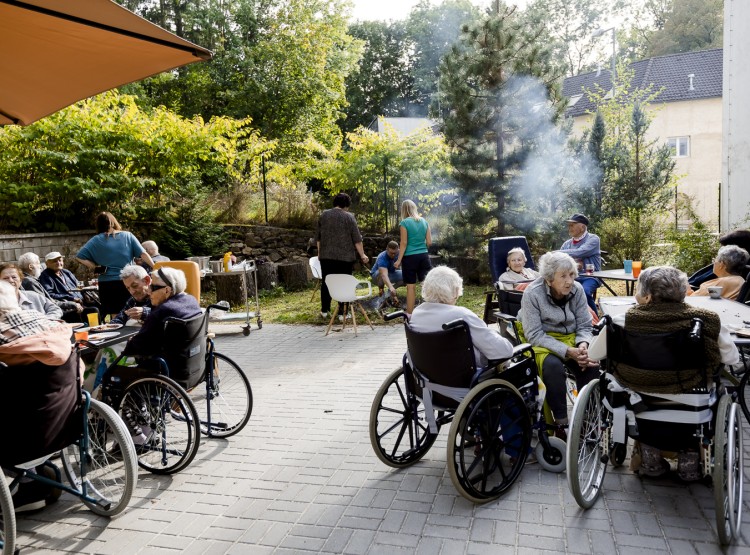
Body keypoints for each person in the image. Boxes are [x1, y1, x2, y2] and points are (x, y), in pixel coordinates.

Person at [588, 266, 740, 480]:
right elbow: (732, 359)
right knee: (712, 390)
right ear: (683, 292)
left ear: (647, 296)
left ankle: (650, 458)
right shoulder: (706, 319)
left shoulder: (624, 320)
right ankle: (689, 461)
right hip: (689, 392)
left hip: (638, 393)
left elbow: (594, 354)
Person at [0, 280, 74, 513]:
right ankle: (33, 477)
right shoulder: (49, 323)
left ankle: (27, 481)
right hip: (66, 420)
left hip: (23, 432)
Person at [517, 251, 599, 436]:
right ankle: (561, 423)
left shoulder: (577, 290)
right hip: (542, 340)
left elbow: (585, 324)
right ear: (548, 278)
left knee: (591, 365)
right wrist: (567, 351)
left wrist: (583, 345)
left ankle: (588, 419)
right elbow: (534, 334)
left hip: (571, 338)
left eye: (571, 274)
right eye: (563, 276)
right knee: (553, 368)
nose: (569, 281)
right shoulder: (532, 294)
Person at [410, 266, 514, 369]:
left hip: (428, 376)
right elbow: (503, 351)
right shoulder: (460, 316)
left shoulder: (417, 313)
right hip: (465, 378)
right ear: (455, 291)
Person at [75, 211, 154, 319]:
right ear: (114, 222)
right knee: (133, 312)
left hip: (107, 283)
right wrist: (155, 266)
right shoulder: (127, 236)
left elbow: (79, 256)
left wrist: (95, 267)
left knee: (115, 315)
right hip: (127, 281)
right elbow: (143, 253)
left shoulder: (95, 240)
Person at [122, 267, 201, 359]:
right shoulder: (191, 300)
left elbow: (135, 348)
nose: (148, 290)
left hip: (165, 366)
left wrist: (131, 341)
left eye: (152, 287)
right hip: (192, 361)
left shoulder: (162, 311)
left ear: (167, 290)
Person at [315, 193, 369, 319]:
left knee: (326, 282)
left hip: (326, 256)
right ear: (347, 205)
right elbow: (357, 239)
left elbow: (318, 237)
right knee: (344, 283)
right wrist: (362, 255)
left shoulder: (323, 215)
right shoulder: (349, 217)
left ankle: (324, 311)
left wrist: (319, 253)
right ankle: (343, 313)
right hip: (345, 258)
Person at [394, 199, 432, 314]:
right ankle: (432, 312)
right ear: (414, 208)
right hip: (423, 256)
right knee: (426, 285)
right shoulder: (424, 222)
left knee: (410, 287)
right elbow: (429, 242)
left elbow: (404, 243)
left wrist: (398, 260)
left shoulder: (404, 223)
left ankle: (410, 315)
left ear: (403, 210)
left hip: (409, 258)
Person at [39, 251, 99, 323]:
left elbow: (79, 286)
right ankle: (95, 328)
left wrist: (85, 295)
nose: (58, 263)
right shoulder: (46, 276)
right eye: (55, 261)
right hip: (68, 307)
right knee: (93, 310)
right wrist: (71, 298)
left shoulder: (66, 272)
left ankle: (105, 326)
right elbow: (50, 295)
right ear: (47, 264)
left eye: (60, 260)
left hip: (82, 302)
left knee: (102, 304)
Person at [558, 213, 601, 312]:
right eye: (569, 225)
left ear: (582, 227)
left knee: (584, 291)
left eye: (572, 225)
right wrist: (575, 262)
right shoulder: (567, 244)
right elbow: (560, 260)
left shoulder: (593, 239)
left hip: (591, 277)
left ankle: (595, 319)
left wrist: (557, 252)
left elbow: (580, 252)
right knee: (559, 291)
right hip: (572, 277)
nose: (569, 228)